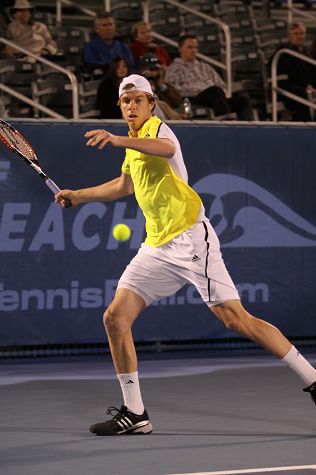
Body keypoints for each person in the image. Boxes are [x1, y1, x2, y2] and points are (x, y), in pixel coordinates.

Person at [55, 74, 316, 436]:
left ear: (151, 103)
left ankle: (313, 379)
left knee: (235, 320)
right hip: (157, 245)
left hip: (191, 240)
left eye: (138, 100)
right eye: (126, 101)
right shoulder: (134, 144)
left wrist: (116, 139)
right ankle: (135, 413)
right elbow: (124, 185)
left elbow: (167, 151)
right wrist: (79, 195)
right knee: (115, 318)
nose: (132, 106)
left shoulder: (160, 131)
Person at [165, 34, 253, 121]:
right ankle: (227, 121)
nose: (193, 50)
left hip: (216, 98)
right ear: (180, 49)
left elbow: (221, 85)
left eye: (195, 48)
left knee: (242, 99)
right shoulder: (174, 69)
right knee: (214, 91)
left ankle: (243, 125)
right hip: (192, 99)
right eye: (190, 47)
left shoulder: (205, 67)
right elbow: (172, 91)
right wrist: (199, 89)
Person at [270, 22, 315, 121]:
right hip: (286, 86)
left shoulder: (305, 51)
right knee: (301, 93)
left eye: (302, 33)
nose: (300, 36)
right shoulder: (283, 51)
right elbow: (288, 73)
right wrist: (306, 84)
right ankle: (305, 125)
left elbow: (311, 70)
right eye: (296, 34)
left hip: (305, 85)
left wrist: (310, 84)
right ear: (289, 36)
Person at [137, 52, 186, 120]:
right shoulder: (136, 85)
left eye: (156, 69)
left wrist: (162, 86)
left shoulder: (162, 86)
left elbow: (177, 101)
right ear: (142, 70)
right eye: (151, 69)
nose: (153, 73)